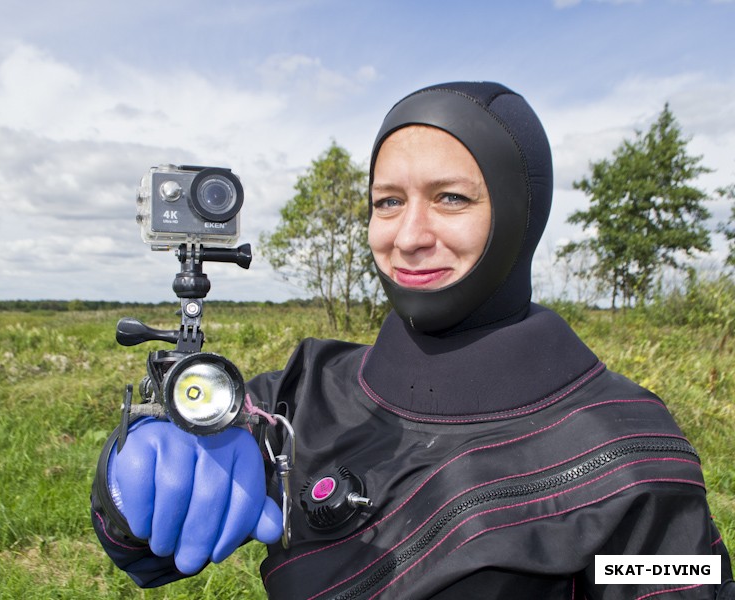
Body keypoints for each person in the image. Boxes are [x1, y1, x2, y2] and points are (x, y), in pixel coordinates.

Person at [91, 82, 734, 599]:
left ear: (520, 211)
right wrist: (131, 477)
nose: (408, 236)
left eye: (451, 198)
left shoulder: (629, 450)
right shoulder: (303, 393)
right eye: (388, 202)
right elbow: (144, 559)